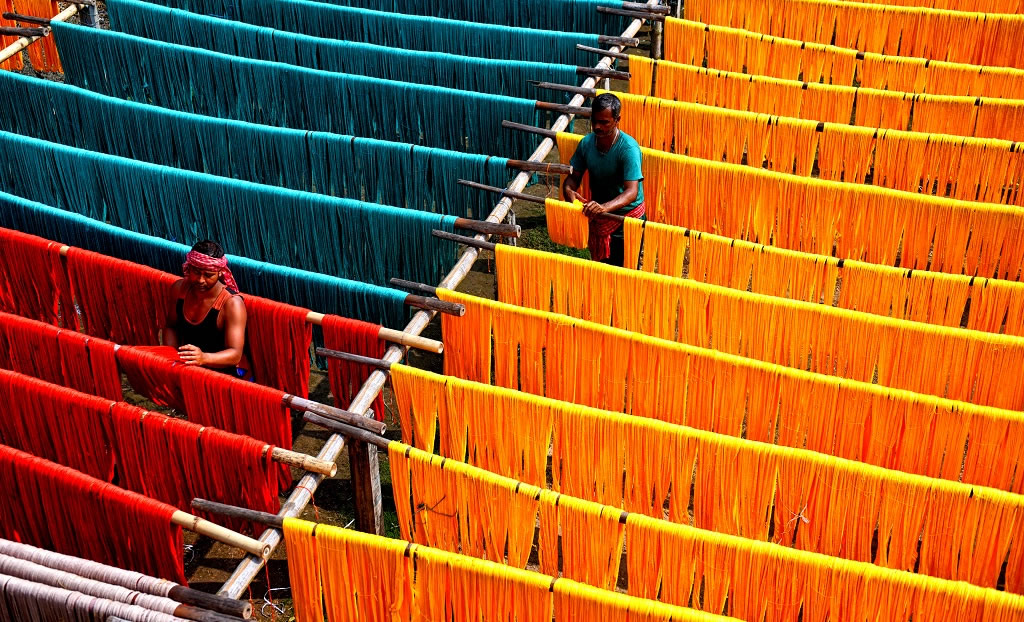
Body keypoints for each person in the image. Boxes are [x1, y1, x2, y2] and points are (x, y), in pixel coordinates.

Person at [561, 92, 646, 265]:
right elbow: (573, 178)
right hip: (600, 217)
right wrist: (569, 192)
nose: (597, 127)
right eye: (595, 121)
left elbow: (631, 192)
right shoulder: (586, 144)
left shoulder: (628, 149)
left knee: (626, 272)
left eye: (604, 122)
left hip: (626, 219)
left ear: (617, 119)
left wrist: (604, 207)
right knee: (601, 271)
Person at [164, 240, 250, 377]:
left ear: (220, 273)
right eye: (196, 272)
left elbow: (235, 354)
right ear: (189, 268)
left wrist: (203, 358)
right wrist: (172, 357)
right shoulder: (179, 289)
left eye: (209, 275)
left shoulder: (232, 304)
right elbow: (171, 327)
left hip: (220, 378)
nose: (201, 280)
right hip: (185, 370)